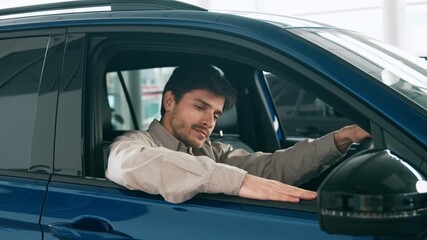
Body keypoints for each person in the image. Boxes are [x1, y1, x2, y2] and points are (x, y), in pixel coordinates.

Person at [106, 64, 370, 204]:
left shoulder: (211, 151)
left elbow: (271, 167)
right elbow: (131, 164)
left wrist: (344, 137)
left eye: (216, 114)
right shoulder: (133, 144)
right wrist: (237, 181)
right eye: (200, 107)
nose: (209, 122)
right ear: (169, 101)